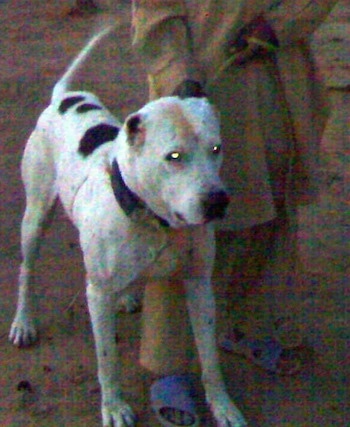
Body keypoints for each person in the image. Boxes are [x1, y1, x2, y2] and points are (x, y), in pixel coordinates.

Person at [131, 1, 337, 425]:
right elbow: (155, 11)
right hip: (200, 82)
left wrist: (281, 24)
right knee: (185, 227)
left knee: (270, 208)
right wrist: (179, 76)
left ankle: (245, 323)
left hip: (279, 72)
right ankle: (170, 363)